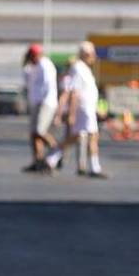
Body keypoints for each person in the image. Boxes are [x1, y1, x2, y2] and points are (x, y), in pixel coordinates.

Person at [46, 42, 106, 178]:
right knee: (92, 136)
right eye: (92, 54)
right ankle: (95, 168)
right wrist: (71, 113)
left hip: (88, 108)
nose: (94, 57)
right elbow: (74, 92)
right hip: (83, 109)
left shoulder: (84, 68)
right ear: (85, 54)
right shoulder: (78, 68)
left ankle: (51, 159)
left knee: (75, 137)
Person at [22, 44, 58, 173]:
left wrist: (43, 102)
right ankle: (38, 161)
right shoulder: (32, 67)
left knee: (40, 130)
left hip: (45, 102)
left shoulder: (45, 65)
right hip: (34, 103)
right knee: (33, 134)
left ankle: (56, 150)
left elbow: (48, 86)